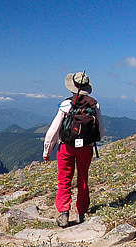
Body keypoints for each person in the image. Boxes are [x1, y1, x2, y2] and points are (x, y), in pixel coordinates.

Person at [43, 72, 104, 227]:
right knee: (83, 179)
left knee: (64, 180)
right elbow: (101, 132)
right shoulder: (94, 105)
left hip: (66, 147)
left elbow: (54, 130)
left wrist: (47, 152)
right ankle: (82, 213)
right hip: (86, 148)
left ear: (73, 87)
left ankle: (64, 213)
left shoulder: (66, 105)